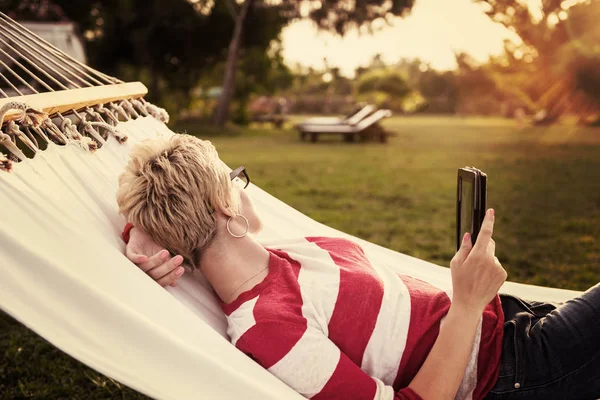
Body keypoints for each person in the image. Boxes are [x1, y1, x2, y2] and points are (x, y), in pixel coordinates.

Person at [116, 134, 600, 400]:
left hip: (510, 322)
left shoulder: (285, 255)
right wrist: (468, 304)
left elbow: (171, 214)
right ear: (224, 205)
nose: (246, 186)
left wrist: (139, 230)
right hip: (513, 372)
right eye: (235, 178)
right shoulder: (268, 328)